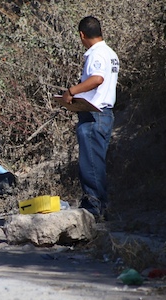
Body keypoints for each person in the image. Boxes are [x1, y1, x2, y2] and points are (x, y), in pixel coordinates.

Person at [61, 16, 119, 219]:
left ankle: (94, 206)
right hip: (104, 114)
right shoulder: (110, 53)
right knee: (97, 163)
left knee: (91, 163)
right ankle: (101, 207)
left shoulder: (96, 53)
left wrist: (71, 92)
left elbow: (97, 79)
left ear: (82, 35)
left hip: (94, 116)